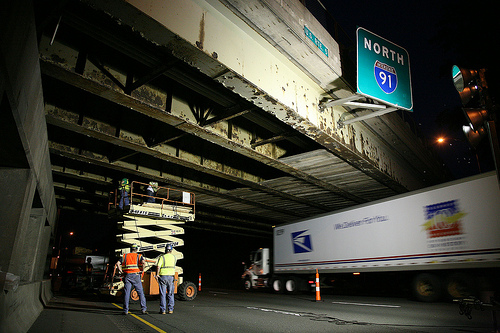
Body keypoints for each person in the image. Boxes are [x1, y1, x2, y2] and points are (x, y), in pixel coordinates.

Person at [115, 244, 148, 315]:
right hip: (136, 275)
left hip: (127, 275)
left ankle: (125, 310)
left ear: (131, 249)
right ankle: (143, 309)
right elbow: (143, 263)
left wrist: (121, 271)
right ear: (136, 249)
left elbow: (117, 263)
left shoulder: (125, 256)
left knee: (127, 293)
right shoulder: (139, 256)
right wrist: (142, 270)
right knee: (140, 293)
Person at [155, 244, 176, 314]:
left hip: (163, 276)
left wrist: (157, 274)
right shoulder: (174, 257)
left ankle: (163, 310)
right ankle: (170, 309)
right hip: (171, 277)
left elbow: (158, 266)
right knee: (170, 294)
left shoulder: (162, 257)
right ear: (171, 250)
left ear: (165, 250)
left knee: (163, 294)